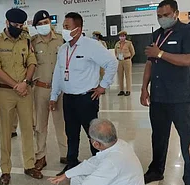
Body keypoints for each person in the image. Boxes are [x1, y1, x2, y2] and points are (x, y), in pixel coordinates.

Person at [141, 0, 190, 185]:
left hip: (180, 98)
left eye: (165, 15)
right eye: (159, 15)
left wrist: (161, 53)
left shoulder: (188, 32)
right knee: (158, 136)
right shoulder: (157, 34)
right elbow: (150, 62)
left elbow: (189, 60)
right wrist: (144, 89)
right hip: (158, 96)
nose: (162, 19)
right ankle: (156, 170)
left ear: (175, 13)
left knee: (187, 138)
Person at [50, 12, 118, 176]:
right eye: (63, 27)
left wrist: (103, 86)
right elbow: (58, 74)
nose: (64, 30)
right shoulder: (63, 49)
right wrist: (54, 96)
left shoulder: (91, 45)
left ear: (78, 29)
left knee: (93, 135)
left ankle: (99, 165)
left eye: (67, 27)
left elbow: (111, 63)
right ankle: (72, 163)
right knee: (71, 133)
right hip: (68, 99)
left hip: (86, 99)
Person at [0, 8, 42, 185]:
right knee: (5, 132)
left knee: (27, 129)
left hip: (25, 91)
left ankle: (29, 165)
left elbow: (32, 62)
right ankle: (5, 170)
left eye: (21, 25)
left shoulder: (26, 40)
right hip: (5, 92)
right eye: (15, 25)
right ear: (7, 23)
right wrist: (16, 85)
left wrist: (25, 82)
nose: (18, 28)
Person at [31, 10, 68, 171]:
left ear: (51, 23)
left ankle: (66, 154)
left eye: (45, 22)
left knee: (62, 123)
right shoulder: (32, 43)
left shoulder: (61, 39)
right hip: (40, 89)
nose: (43, 26)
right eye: (39, 24)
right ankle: (40, 156)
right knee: (40, 125)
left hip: (60, 89)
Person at [114, 30, 135, 96]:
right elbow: (115, 52)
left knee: (128, 75)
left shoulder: (129, 43)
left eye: (123, 36)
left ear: (125, 36)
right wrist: (118, 57)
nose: (121, 37)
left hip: (127, 60)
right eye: (120, 36)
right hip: (120, 61)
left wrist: (128, 58)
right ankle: (121, 90)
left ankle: (128, 90)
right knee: (120, 76)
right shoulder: (117, 44)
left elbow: (133, 52)